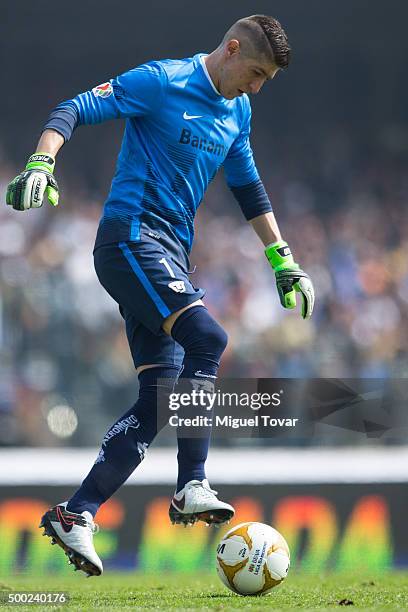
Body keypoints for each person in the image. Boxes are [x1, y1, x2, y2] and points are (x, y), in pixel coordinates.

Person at [6, 14, 314, 576]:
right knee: (209, 338)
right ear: (233, 47)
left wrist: (282, 258)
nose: (257, 87)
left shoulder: (237, 110)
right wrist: (42, 159)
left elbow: (247, 185)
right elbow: (73, 107)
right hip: (128, 237)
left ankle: (77, 513)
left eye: (266, 79)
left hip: (170, 252)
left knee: (163, 396)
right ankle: (191, 484)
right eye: (255, 72)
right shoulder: (162, 81)